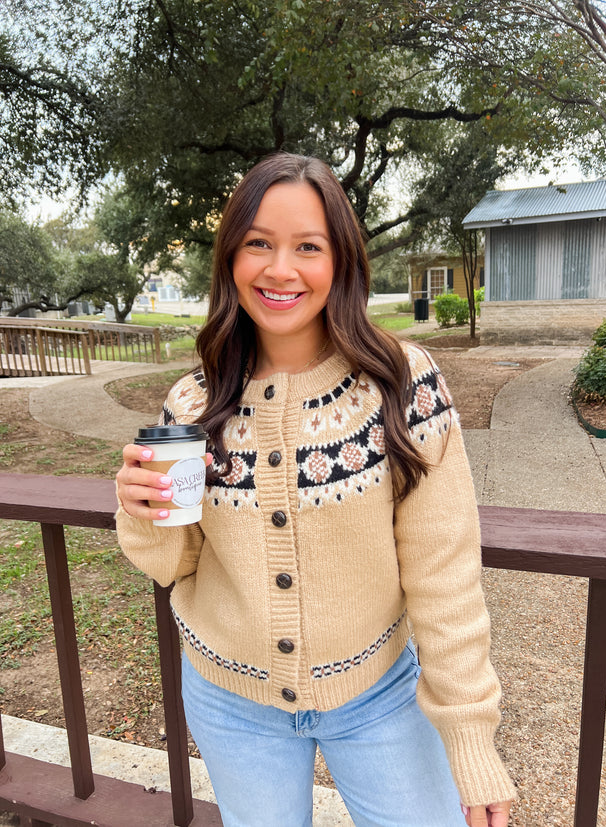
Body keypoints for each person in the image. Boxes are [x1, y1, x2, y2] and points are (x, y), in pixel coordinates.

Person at [115, 153, 515, 827]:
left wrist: (471, 739)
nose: (280, 269)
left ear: (342, 261)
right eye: (258, 244)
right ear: (230, 259)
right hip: (228, 698)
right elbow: (171, 563)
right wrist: (142, 513)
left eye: (308, 246)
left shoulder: (401, 384)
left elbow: (445, 573)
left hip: (380, 694)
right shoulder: (192, 402)